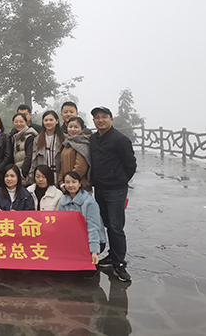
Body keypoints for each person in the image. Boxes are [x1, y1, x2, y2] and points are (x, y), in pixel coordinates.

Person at [90, 106, 137, 282]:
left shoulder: (120, 139)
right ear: (93, 121)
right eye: (97, 117)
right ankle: (112, 255)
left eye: (104, 117)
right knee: (106, 223)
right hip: (99, 188)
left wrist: (120, 179)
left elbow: (130, 164)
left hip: (116, 189)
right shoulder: (93, 139)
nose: (100, 120)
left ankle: (119, 263)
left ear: (111, 119)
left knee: (116, 227)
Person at [57, 171, 106, 266]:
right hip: (74, 240)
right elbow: (60, 225)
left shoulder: (89, 202)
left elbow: (93, 227)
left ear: (79, 184)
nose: (71, 185)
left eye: (74, 182)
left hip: (92, 241)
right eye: (67, 182)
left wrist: (94, 251)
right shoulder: (62, 201)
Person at [29, 110, 65, 185]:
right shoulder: (38, 139)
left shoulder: (63, 138)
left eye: (51, 120)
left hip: (59, 175)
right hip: (42, 176)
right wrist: (32, 175)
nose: (48, 122)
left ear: (57, 121)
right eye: (46, 120)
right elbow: (34, 159)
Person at [59, 116, 91, 189]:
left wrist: (69, 182)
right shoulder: (66, 143)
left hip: (78, 185)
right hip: (67, 185)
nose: (72, 129)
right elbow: (62, 166)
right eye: (70, 127)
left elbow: (80, 168)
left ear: (82, 129)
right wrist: (61, 182)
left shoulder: (83, 144)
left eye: (76, 127)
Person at [10, 112, 38, 186]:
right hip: (16, 174)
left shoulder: (30, 137)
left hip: (26, 176)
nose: (18, 124)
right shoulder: (14, 137)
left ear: (26, 122)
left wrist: (23, 173)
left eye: (21, 121)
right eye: (16, 122)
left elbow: (29, 156)